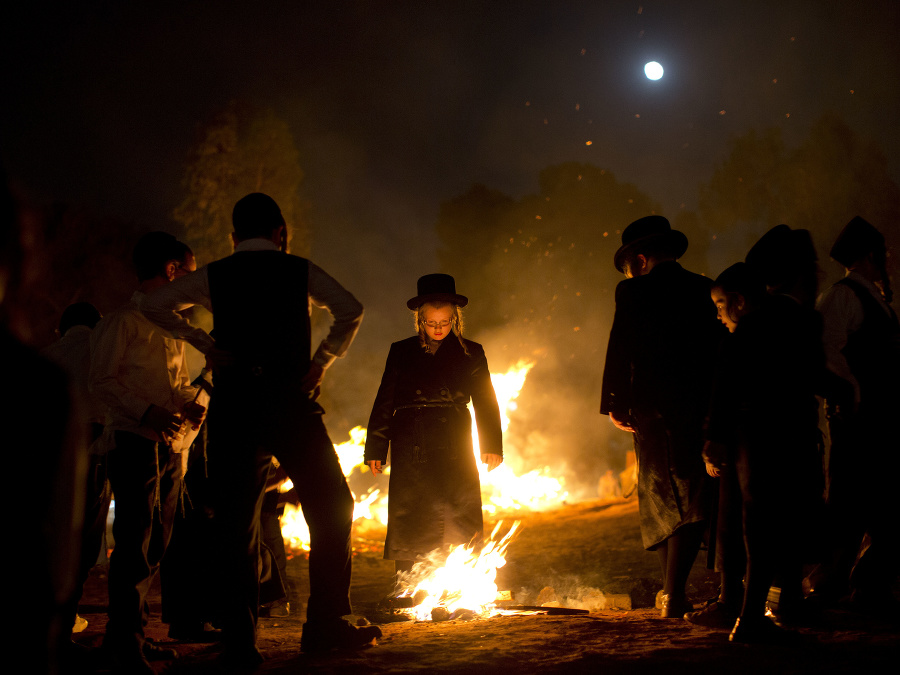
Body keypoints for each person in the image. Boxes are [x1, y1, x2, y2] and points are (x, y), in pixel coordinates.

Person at [141, 192, 378, 664]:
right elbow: (350, 309)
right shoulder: (299, 270)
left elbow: (155, 305)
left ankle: (240, 640)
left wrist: (203, 342)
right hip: (290, 403)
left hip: (236, 407)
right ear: (280, 232)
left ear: (233, 237)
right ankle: (324, 624)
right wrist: (322, 360)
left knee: (236, 524)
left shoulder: (215, 275)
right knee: (333, 505)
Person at [89, 232, 207, 674]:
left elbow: (175, 385)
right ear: (172, 272)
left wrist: (188, 404)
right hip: (134, 442)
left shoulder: (172, 326)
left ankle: (132, 635)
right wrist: (147, 412)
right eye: (190, 274)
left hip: (169, 446)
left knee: (156, 543)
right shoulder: (123, 322)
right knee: (134, 545)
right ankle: (123, 645)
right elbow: (100, 381)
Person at [600, 215, 723, 618]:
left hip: (651, 410)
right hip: (699, 408)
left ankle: (673, 594)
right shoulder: (705, 287)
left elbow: (621, 346)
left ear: (639, 260)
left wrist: (614, 402)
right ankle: (674, 593)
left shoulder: (633, 291)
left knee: (659, 499)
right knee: (693, 493)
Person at [697, 260, 823, 644]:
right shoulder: (794, 326)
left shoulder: (743, 336)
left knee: (759, 526)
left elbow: (724, 392)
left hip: (756, 442)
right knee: (776, 523)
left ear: (738, 301)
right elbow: (813, 375)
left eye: (720, 306)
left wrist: (714, 440)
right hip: (790, 438)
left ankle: (749, 618)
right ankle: (764, 610)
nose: (719, 316)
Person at [364, 274, 503, 573]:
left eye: (445, 322)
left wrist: (492, 445)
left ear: (455, 319)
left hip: (454, 438)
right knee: (411, 512)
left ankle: (461, 577)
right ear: (420, 320)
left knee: (457, 509)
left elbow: (486, 401)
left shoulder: (471, 352)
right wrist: (376, 448)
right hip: (411, 440)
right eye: (431, 323)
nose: (438, 329)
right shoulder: (401, 351)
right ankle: (407, 581)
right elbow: (385, 400)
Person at [806, 216, 900, 614]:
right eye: (881, 253)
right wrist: (853, 391)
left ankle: (868, 584)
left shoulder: (871, 296)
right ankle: (831, 584)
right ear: (868, 256)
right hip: (857, 417)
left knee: (885, 499)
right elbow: (826, 349)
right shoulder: (842, 296)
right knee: (849, 499)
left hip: (881, 416)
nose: (887, 260)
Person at [41, 302, 110, 646]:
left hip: (47, 454)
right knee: (85, 538)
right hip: (94, 448)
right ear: (98, 326)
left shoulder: (47, 354)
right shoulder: (103, 351)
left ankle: (54, 618)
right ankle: (66, 621)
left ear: (62, 329)